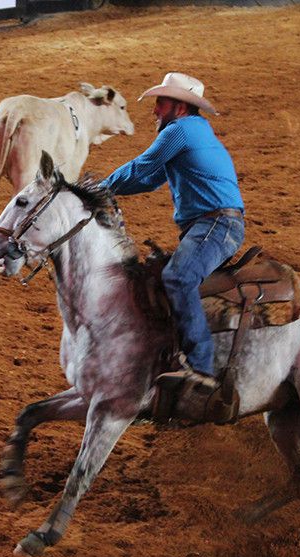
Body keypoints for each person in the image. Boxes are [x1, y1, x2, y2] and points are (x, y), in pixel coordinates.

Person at [101, 72, 245, 398]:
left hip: (216, 225)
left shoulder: (180, 130)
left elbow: (142, 166)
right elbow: (148, 179)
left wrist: (98, 188)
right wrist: (108, 189)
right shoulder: (194, 131)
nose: (155, 110)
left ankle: (202, 370)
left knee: (178, 278)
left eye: (161, 103)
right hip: (214, 225)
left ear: (180, 107)